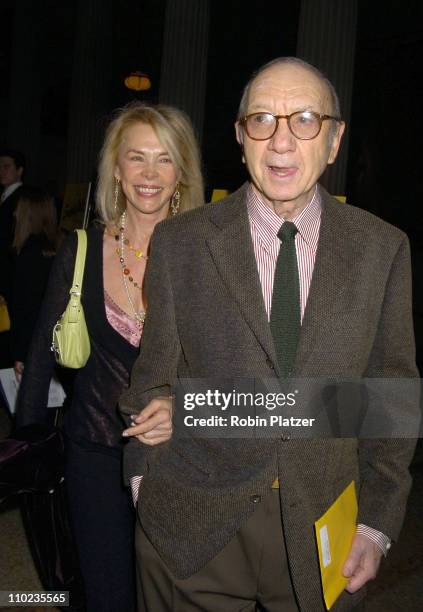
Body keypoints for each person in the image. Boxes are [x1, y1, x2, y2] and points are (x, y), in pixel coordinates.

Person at [119, 58, 419, 612]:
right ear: (240, 137)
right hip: (190, 521)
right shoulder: (182, 242)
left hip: (325, 526)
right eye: (262, 119)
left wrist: (377, 525)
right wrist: (146, 489)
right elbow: (150, 381)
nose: (281, 140)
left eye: (304, 119)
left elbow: (390, 403)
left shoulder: (382, 249)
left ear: (334, 140)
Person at [15, 102, 204, 612]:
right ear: (116, 170)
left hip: (179, 461)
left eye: (164, 160)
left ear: (182, 172)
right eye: (136, 158)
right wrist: (26, 444)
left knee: (168, 597)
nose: (149, 174)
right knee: (106, 595)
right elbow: (38, 359)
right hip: (93, 454)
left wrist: (183, 411)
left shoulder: (205, 257)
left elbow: (224, 366)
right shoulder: (80, 251)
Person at [10, 187, 61, 379]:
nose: (15, 214)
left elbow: (27, 307)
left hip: (31, 346)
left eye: (19, 210)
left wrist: (20, 354)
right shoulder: (54, 247)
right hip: (47, 343)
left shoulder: (30, 253)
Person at [0, 149, 25, 366]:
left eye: (7, 166)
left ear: (20, 171)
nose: (2, 171)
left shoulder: (21, 199)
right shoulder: (5, 197)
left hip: (8, 275)